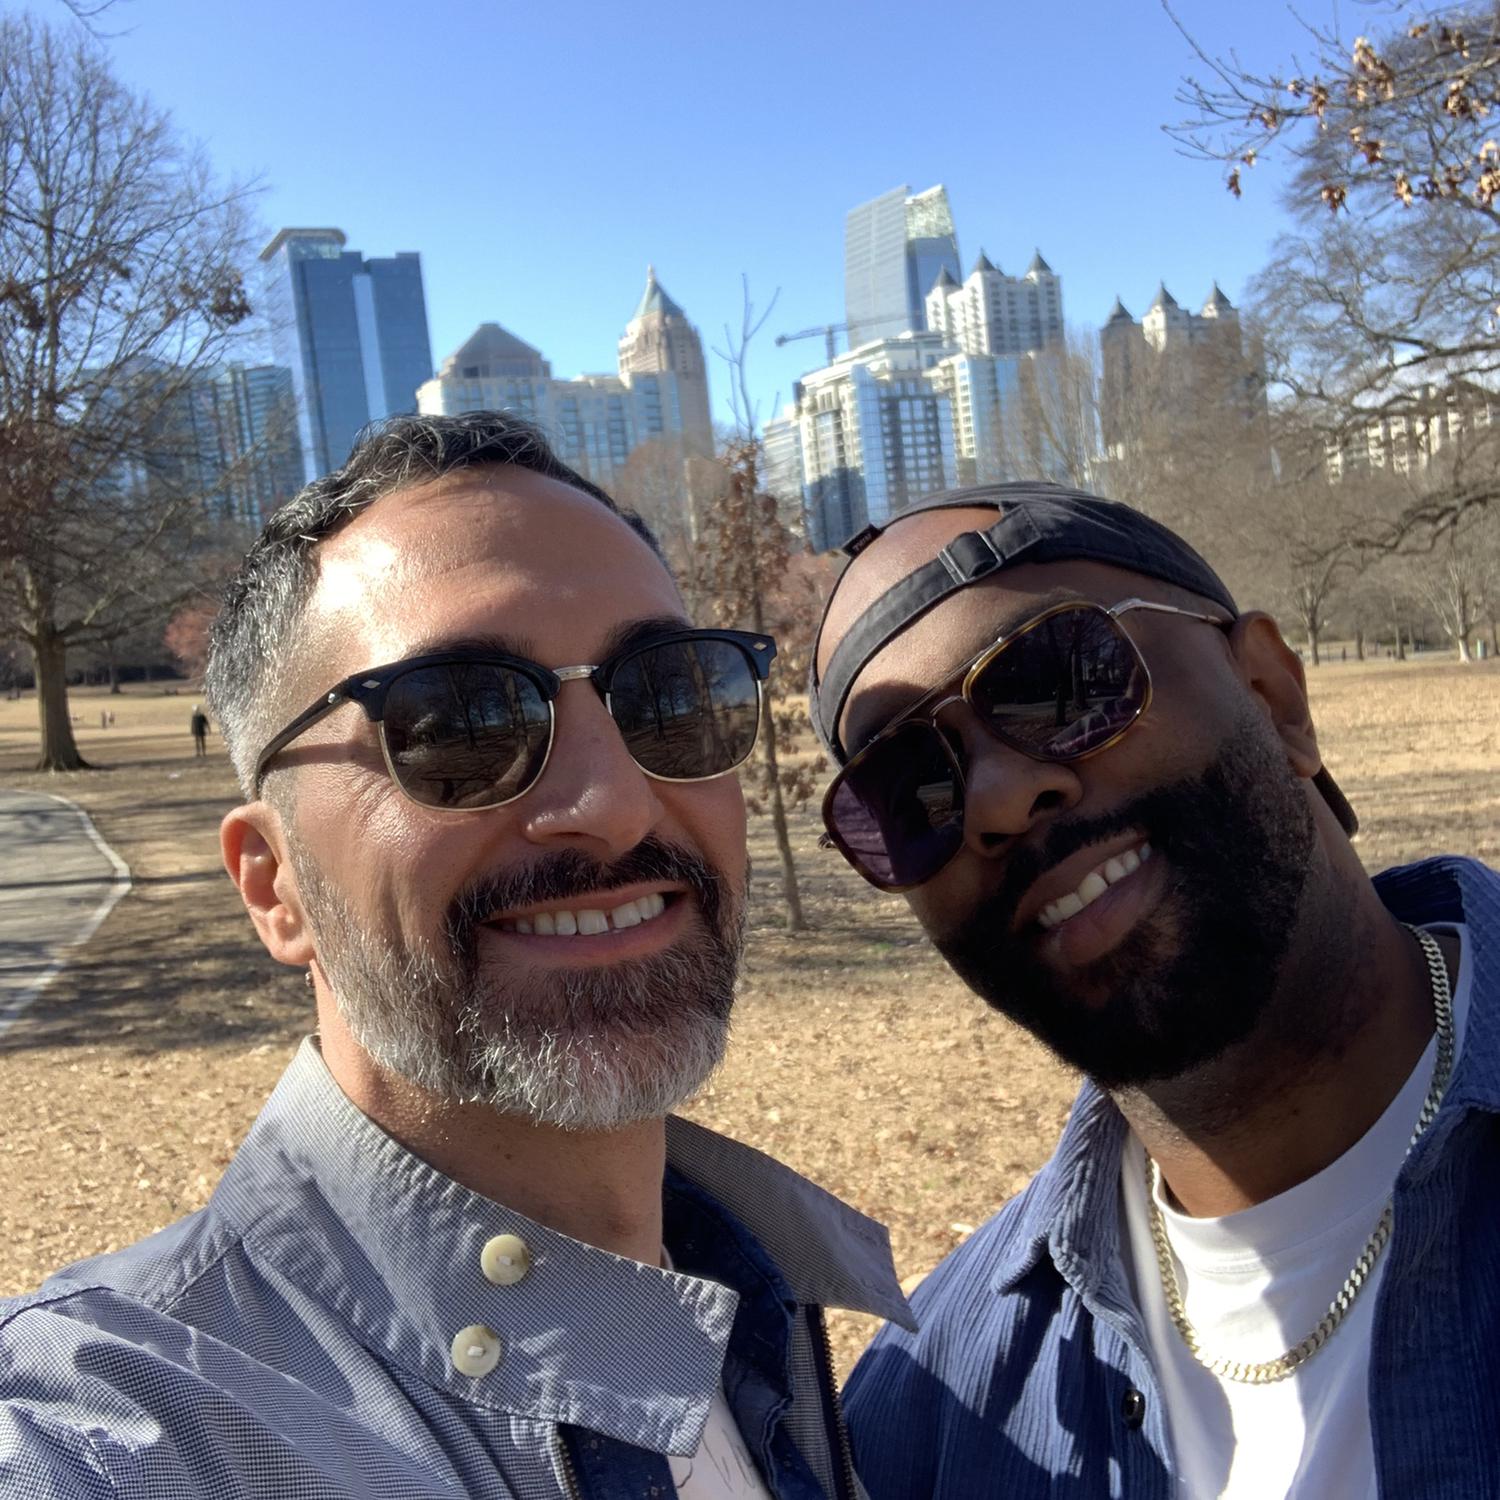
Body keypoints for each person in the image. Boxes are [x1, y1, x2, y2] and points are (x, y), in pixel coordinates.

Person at [0, 412, 909, 1499]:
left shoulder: (755, 1298)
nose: (613, 806)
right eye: (459, 726)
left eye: (668, 694)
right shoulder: (118, 1430)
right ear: (275, 885)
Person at [812, 482, 1500, 1499]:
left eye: (1058, 682)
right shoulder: (923, 1426)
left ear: (1272, 695)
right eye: (911, 787)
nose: (1001, 800)